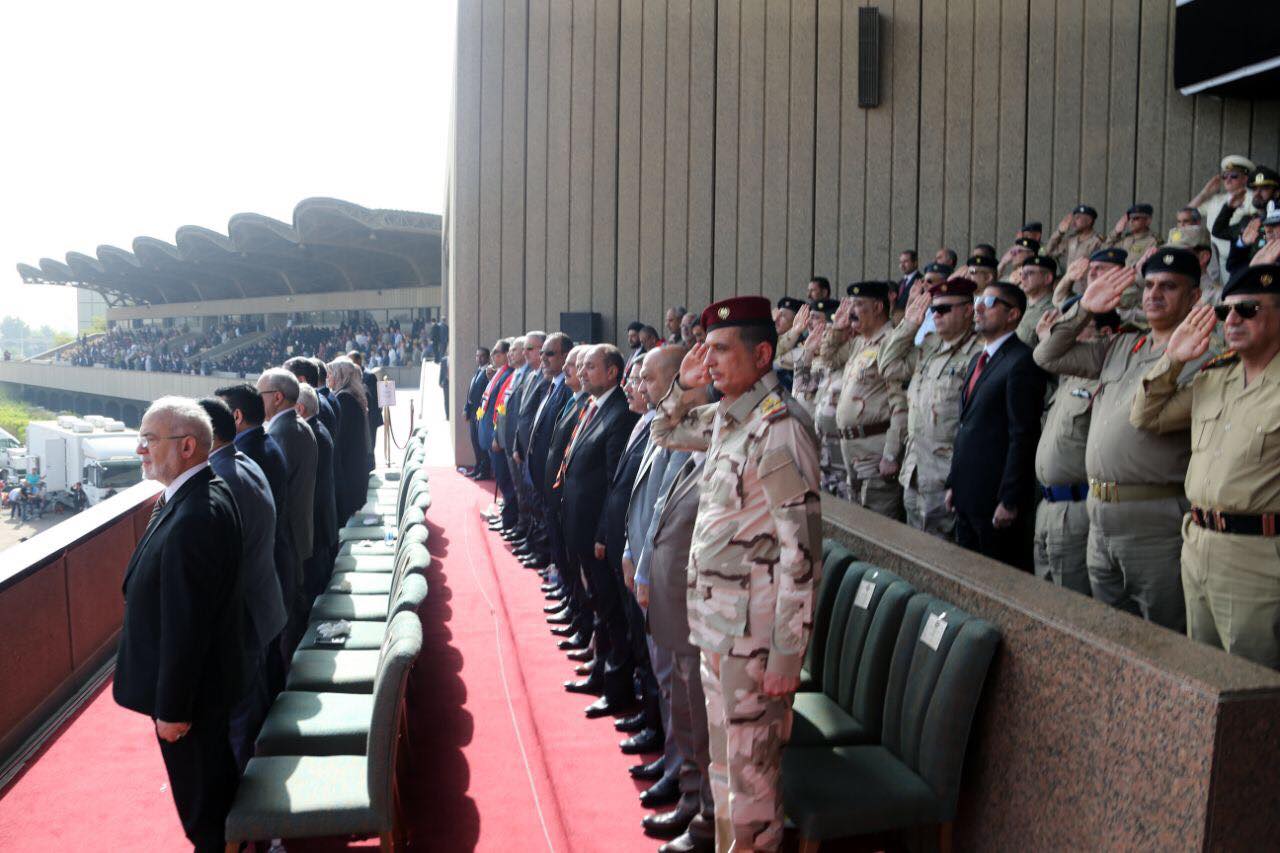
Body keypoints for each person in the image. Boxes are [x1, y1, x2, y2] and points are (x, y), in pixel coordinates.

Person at [651, 295, 822, 853]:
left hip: (755, 645)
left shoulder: (779, 429)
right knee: (726, 775)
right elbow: (664, 431)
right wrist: (684, 385)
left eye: (722, 349)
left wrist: (788, 655)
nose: (712, 360)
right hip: (719, 629)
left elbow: (802, 553)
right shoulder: (731, 417)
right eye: (707, 349)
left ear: (763, 354)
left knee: (753, 790)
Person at [1034, 252, 1208, 630]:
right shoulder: (1123, 346)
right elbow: (1047, 355)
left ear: (1194, 297)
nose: (1154, 294)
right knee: (1109, 633)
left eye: (1168, 286)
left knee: (1164, 636)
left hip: (1155, 522)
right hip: (1099, 520)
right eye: (1149, 285)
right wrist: (1083, 309)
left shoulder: (1202, 355)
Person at [1131, 264, 1280, 668]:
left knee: (1252, 679)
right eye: (1224, 312)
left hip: (1258, 557)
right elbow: (1146, 416)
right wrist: (1173, 360)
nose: (1231, 320)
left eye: (1247, 309)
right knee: (1202, 670)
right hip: (1197, 545)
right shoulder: (1214, 377)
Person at [113, 397, 243, 852]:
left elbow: (186, 627)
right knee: (211, 789)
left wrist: (172, 709)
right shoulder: (197, 492)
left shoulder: (196, 516)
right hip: (204, 688)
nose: (140, 450)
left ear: (187, 447)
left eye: (149, 440)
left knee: (203, 806)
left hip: (193, 699)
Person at [197, 396, 287, 771]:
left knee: (242, 732)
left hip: (245, 619)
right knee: (255, 715)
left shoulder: (222, 480)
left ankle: (250, 801)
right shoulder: (242, 461)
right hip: (263, 607)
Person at [560, 344, 640, 718]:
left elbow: (613, 483)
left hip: (598, 533)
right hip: (579, 525)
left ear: (612, 372)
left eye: (591, 366)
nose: (582, 372)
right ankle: (599, 672)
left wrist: (603, 534)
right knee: (598, 605)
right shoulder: (594, 407)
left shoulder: (620, 413)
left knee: (612, 612)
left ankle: (616, 689)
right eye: (582, 367)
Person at [945, 282, 1045, 569]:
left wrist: (1010, 499)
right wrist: (954, 482)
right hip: (967, 495)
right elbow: (967, 426)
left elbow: (1022, 435)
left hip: (995, 502)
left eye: (989, 302)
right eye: (978, 299)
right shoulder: (979, 359)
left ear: (1012, 314)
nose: (978, 307)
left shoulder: (1021, 361)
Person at [880, 277, 983, 538]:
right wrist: (909, 326)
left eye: (944, 309)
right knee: (912, 545)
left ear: (968, 310)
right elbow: (888, 367)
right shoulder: (929, 345)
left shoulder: (979, 353)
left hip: (947, 474)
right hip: (915, 470)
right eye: (933, 309)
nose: (936, 315)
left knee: (945, 550)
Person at [1031, 302, 1121, 594]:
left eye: (1076, 329)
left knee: (1070, 601)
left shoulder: (1105, 378)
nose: (1065, 337)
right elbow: (1047, 356)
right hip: (1047, 506)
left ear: (1104, 334)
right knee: (1043, 599)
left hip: (1078, 507)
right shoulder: (1068, 378)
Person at [822, 281, 906, 519]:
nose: (851, 311)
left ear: (878, 307)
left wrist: (891, 454)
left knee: (879, 522)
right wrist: (838, 329)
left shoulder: (891, 342)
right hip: (850, 448)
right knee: (857, 521)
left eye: (858, 304)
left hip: (875, 448)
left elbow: (900, 404)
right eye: (850, 305)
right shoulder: (859, 342)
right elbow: (828, 359)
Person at [256, 367, 318, 649]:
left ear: (277, 397)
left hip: (289, 538)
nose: (257, 400)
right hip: (300, 532)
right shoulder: (298, 424)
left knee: (289, 623)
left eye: (260, 394)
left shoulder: (281, 433)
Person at [296, 384, 338, 602]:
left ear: (300, 409)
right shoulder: (317, 428)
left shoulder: (312, 434)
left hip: (317, 526)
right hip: (322, 523)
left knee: (314, 594)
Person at [1189, 154, 1256, 281]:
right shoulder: (1217, 199)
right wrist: (1205, 193)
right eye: (1225, 176)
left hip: (1237, 259)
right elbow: (1187, 213)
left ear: (1245, 179)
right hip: (1213, 259)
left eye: (1234, 176)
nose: (1228, 180)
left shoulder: (1252, 198)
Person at [326, 358, 373, 523]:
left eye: (330, 373)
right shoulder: (350, 395)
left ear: (340, 375)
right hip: (355, 467)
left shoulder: (344, 398)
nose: (328, 377)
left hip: (349, 472)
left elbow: (340, 438)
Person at [1046, 204, 1104, 272]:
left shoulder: (1098, 241)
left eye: (1077, 218)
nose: (1073, 222)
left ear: (1089, 221)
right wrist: (1059, 232)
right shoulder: (1071, 240)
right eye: (1073, 219)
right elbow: (1049, 252)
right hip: (1069, 278)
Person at [1015, 255, 1057, 346]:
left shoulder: (1054, 310)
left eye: (1029, 273)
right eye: (1021, 274)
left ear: (1047, 278)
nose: (1022, 278)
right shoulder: (1016, 303)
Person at [465, 346, 493, 479]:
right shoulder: (477, 372)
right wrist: (467, 408)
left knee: (482, 443)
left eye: (482, 356)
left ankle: (485, 471)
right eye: (477, 356)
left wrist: (480, 414)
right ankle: (477, 468)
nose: (479, 358)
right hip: (473, 412)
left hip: (481, 413)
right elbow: (471, 392)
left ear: (488, 357)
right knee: (475, 442)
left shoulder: (488, 373)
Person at [892, 249, 921, 317]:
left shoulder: (921, 281)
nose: (902, 265)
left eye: (905, 262)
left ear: (915, 263)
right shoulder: (900, 283)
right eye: (900, 262)